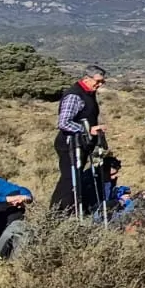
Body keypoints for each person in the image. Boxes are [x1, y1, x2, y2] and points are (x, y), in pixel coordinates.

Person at [50, 66, 106, 216]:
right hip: (69, 145)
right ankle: (56, 214)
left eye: (102, 82)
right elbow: (64, 123)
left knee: (76, 179)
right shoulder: (74, 95)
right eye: (98, 81)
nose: (100, 85)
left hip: (82, 145)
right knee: (69, 180)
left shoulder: (89, 93)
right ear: (86, 79)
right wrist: (88, 130)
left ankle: (71, 211)